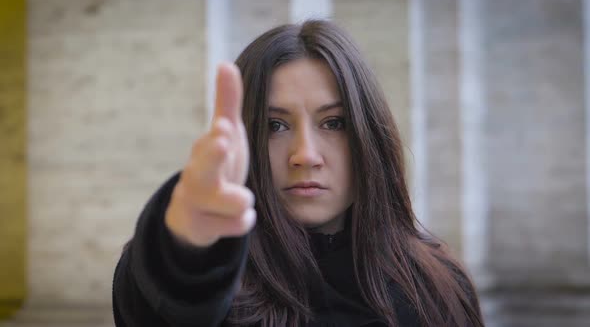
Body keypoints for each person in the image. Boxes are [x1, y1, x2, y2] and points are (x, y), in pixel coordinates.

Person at [112, 20, 484, 327]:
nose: (305, 155)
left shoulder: (439, 286)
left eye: (333, 122)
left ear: (368, 136)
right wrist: (186, 247)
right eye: (275, 126)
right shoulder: (212, 291)